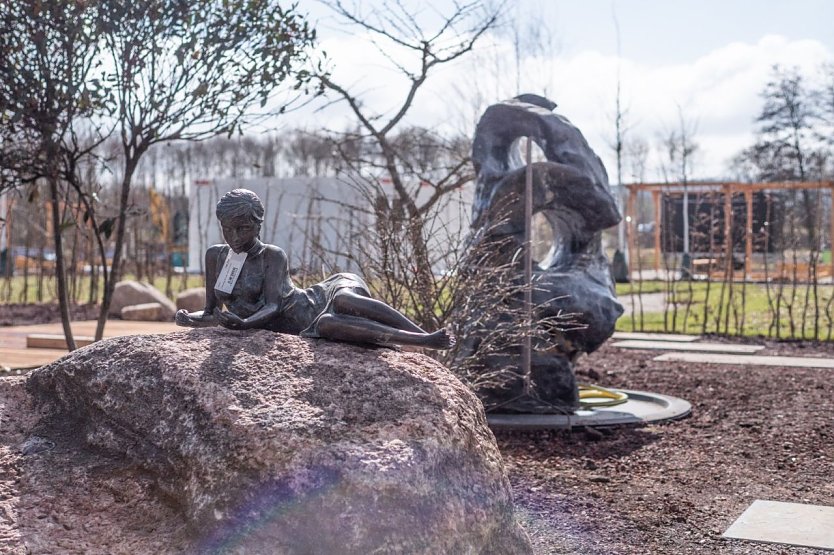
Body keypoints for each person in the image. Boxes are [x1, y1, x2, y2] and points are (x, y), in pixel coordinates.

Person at [175, 188, 454, 349]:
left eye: (243, 229)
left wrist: (245, 324)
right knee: (326, 324)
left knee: (344, 300)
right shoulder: (215, 256)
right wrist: (190, 318)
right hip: (310, 324)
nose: (235, 237)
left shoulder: (272, 256)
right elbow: (211, 312)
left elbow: (274, 306)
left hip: (319, 297)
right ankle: (421, 341)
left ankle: (424, 335)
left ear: (258, 225)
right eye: (228, 229)